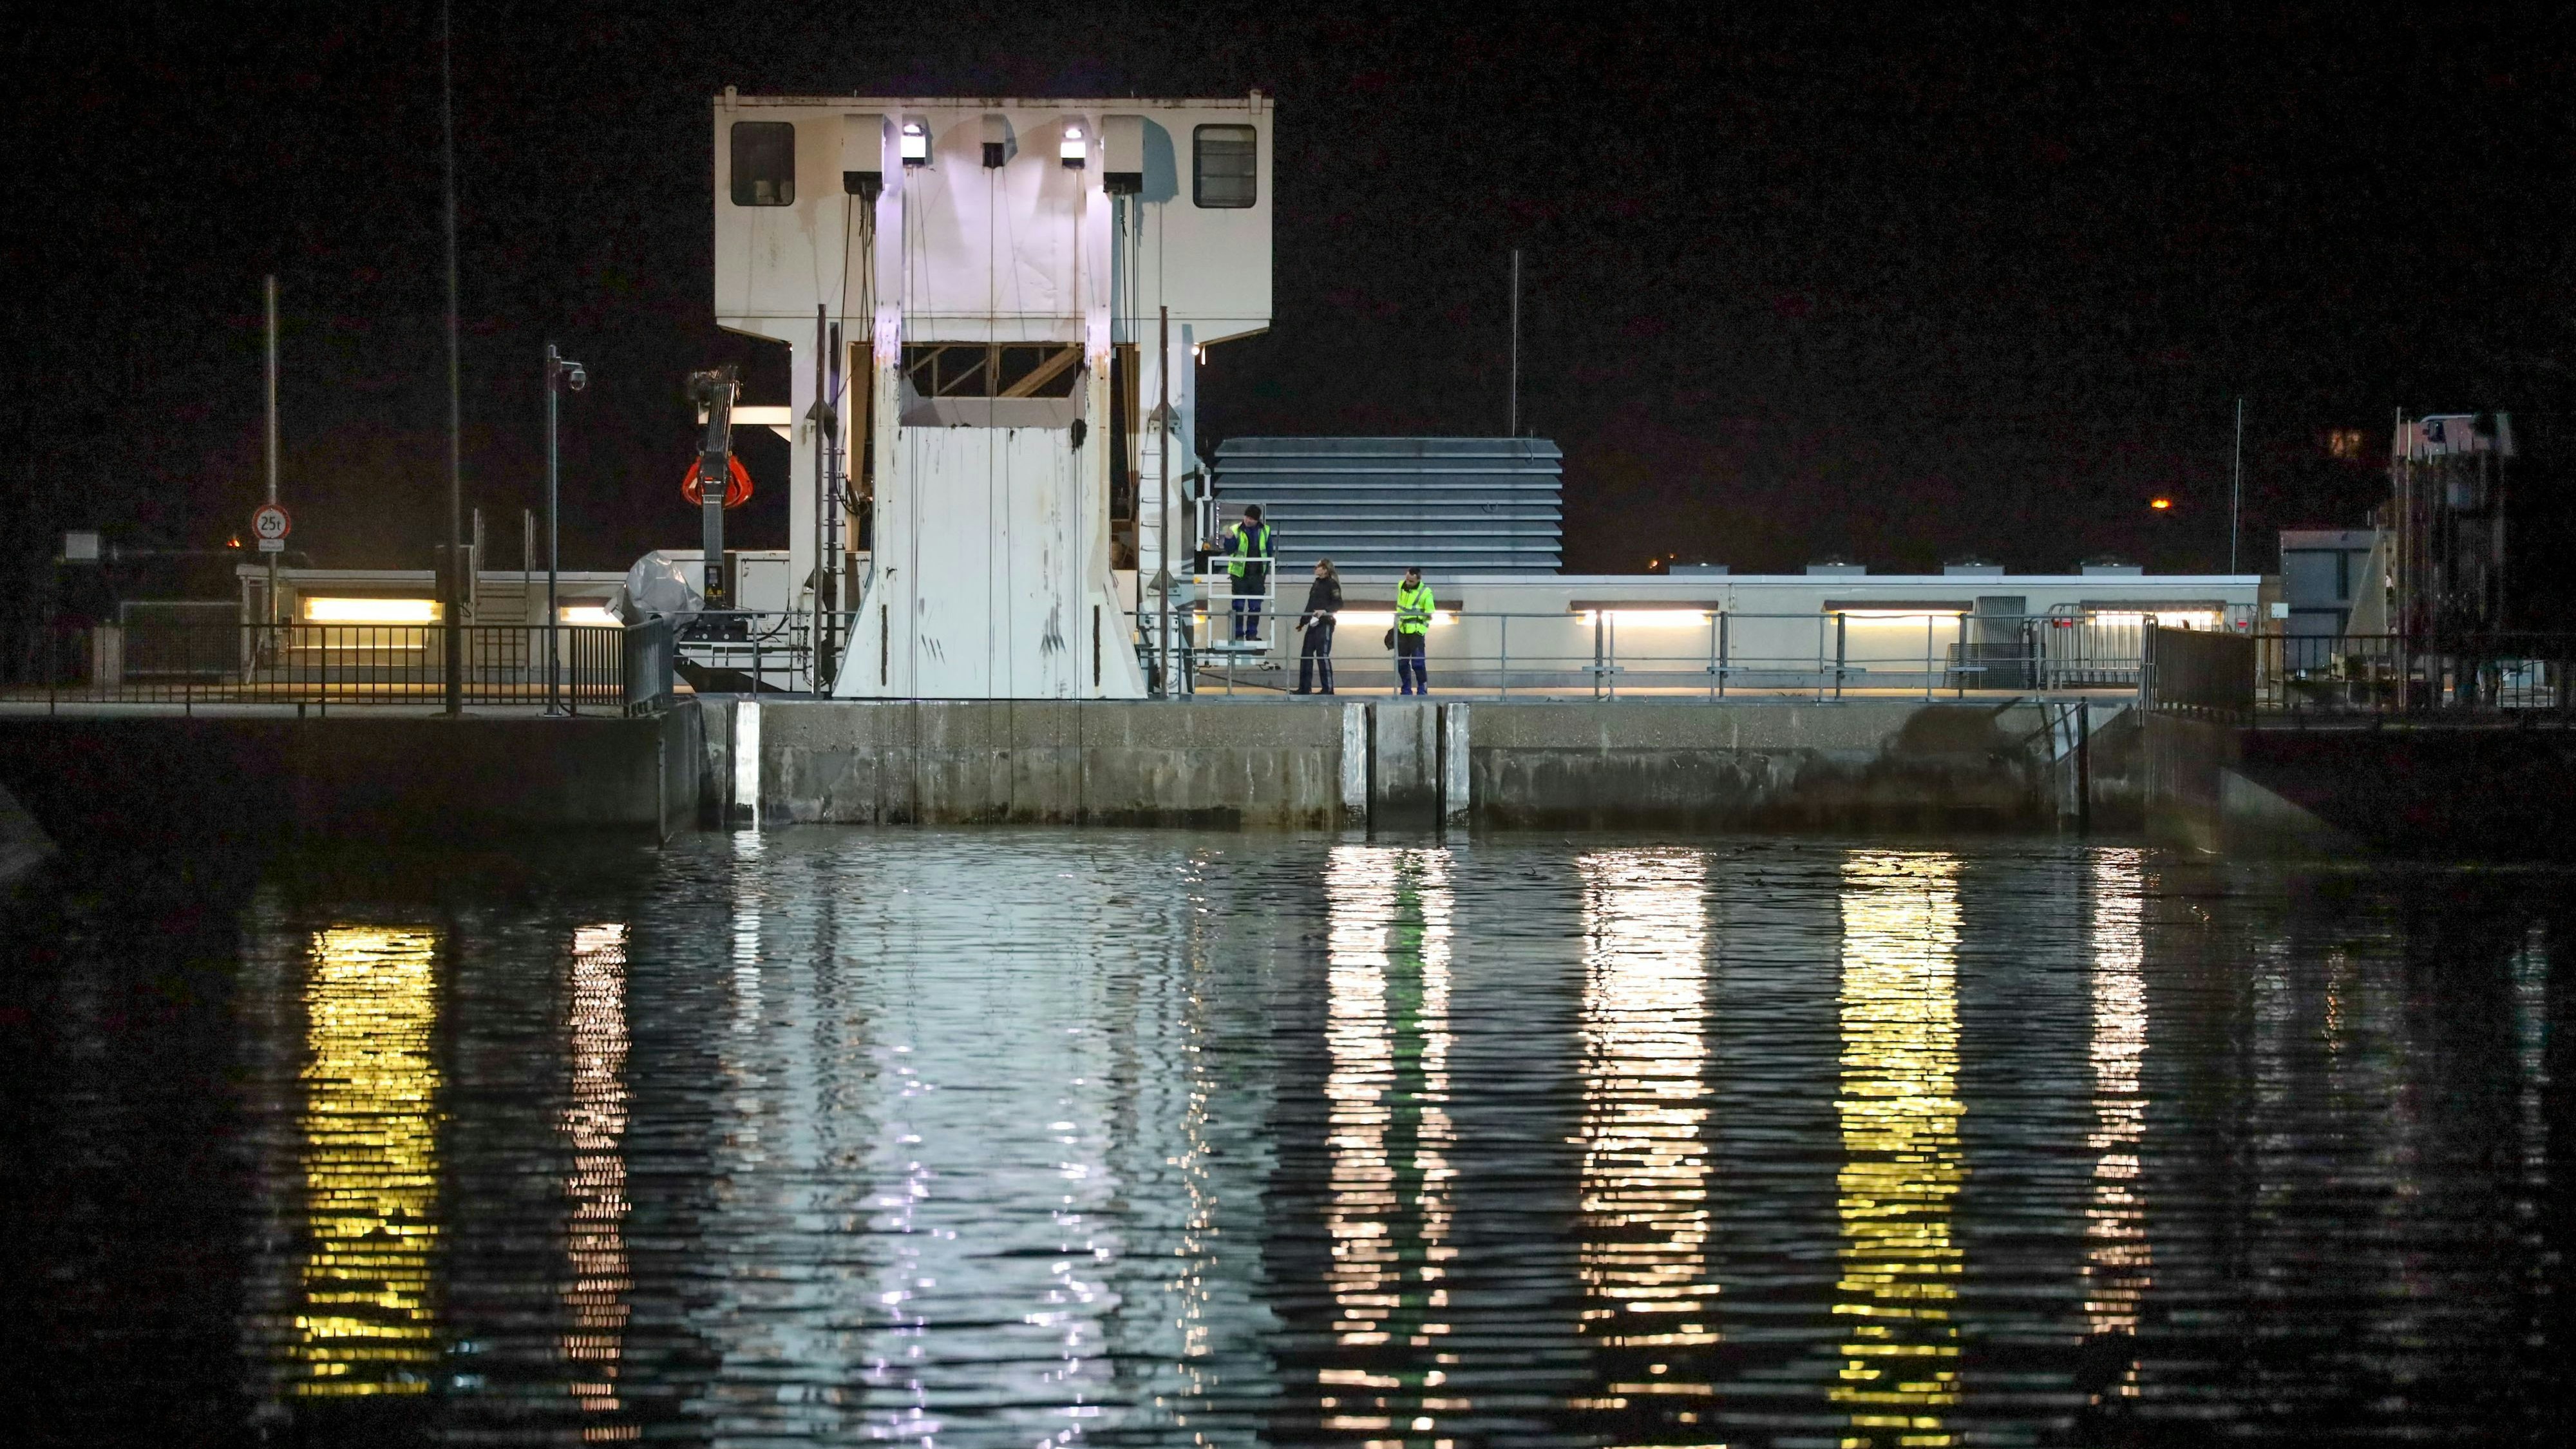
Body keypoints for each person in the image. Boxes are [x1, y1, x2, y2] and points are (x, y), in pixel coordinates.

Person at [1217, 504, 1273, 642]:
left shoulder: (1265, 530)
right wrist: (1229, 539)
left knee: (1255, 607)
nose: (1248, 520)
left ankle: (1252, 634)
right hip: (1240, 575)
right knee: (1238, 606)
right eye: (1247, 517)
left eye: (1252, 519)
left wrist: (1264, 572)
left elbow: (1269, 551)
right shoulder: (1235, 530)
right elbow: (1230, 551)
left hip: (1257, 575)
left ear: (1257, 520)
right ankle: (1238, 635)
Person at [1292, 558, 1341, 695]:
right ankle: (1304, 688)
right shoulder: (1317, 584)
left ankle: (1328, 688)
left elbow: (1338, 603)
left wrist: (1325, 611)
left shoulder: (1332, 584)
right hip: (1313, 623)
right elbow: (1311, 604)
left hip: (1325, 623)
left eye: (1318, 566)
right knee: (1306, 655)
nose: (1315, 568)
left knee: (1322, 655)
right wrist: (1303, 622)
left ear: (1325, 569)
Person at [1394, 565, 1434, 695]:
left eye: (1411, 581)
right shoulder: (1401, 586)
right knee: (1402, 663)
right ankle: (1406, 688)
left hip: (1416, 632)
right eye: (1407, 580)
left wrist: (1421, 630)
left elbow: (1429, 615)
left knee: (1418, 663)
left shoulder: (1426, 592)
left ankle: (1422, 688)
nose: (1408, 583)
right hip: (1402, 630)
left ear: (1418, 580)